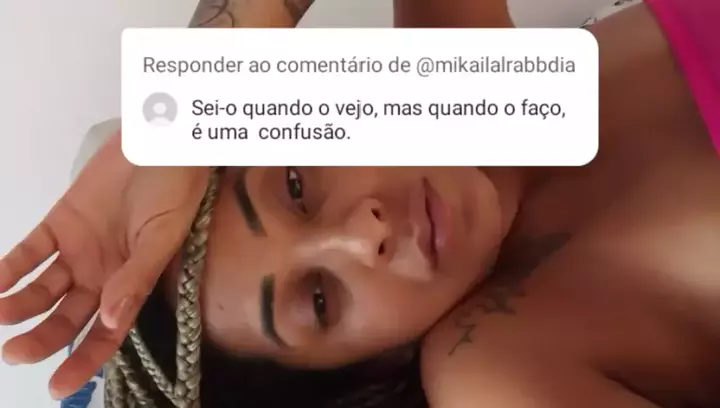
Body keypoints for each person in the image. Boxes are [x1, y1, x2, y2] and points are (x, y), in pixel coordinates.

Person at [0, 0, 718, 406]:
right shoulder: (494, 369)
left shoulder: (481, 86)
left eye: (295, 186)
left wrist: (192, 99)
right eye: (318, 300)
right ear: (375, 365)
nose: (360, 236)